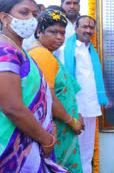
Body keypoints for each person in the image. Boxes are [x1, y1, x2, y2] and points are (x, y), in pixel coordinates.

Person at [0, 0, 67, 172]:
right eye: (24, 13)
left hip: (32, 137)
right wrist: (46, 139)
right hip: (10, 145)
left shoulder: (20, 49)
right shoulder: (2, 50)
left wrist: (49, 127)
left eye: (34, 14)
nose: (31, 19)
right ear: (4, 18)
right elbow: (12, 108)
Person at [28, 9, 85, 172]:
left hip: (63, 123)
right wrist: (72, 121)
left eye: (62, 32)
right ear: (39, 31)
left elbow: (64, 92)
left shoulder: (46, 53)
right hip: (59, 128)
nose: (59, 37)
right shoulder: (41, 54)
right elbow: (49, 98)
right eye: (53, 32)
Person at [57, 15, 109, 173]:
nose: (88, 30)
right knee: (71, 149)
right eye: (84, 27)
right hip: (73, 109)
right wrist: (71, 110)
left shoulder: (91, 51)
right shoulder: (65, 51)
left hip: (91, 107)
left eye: (91, 27)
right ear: (76, 29)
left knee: (86, 150)